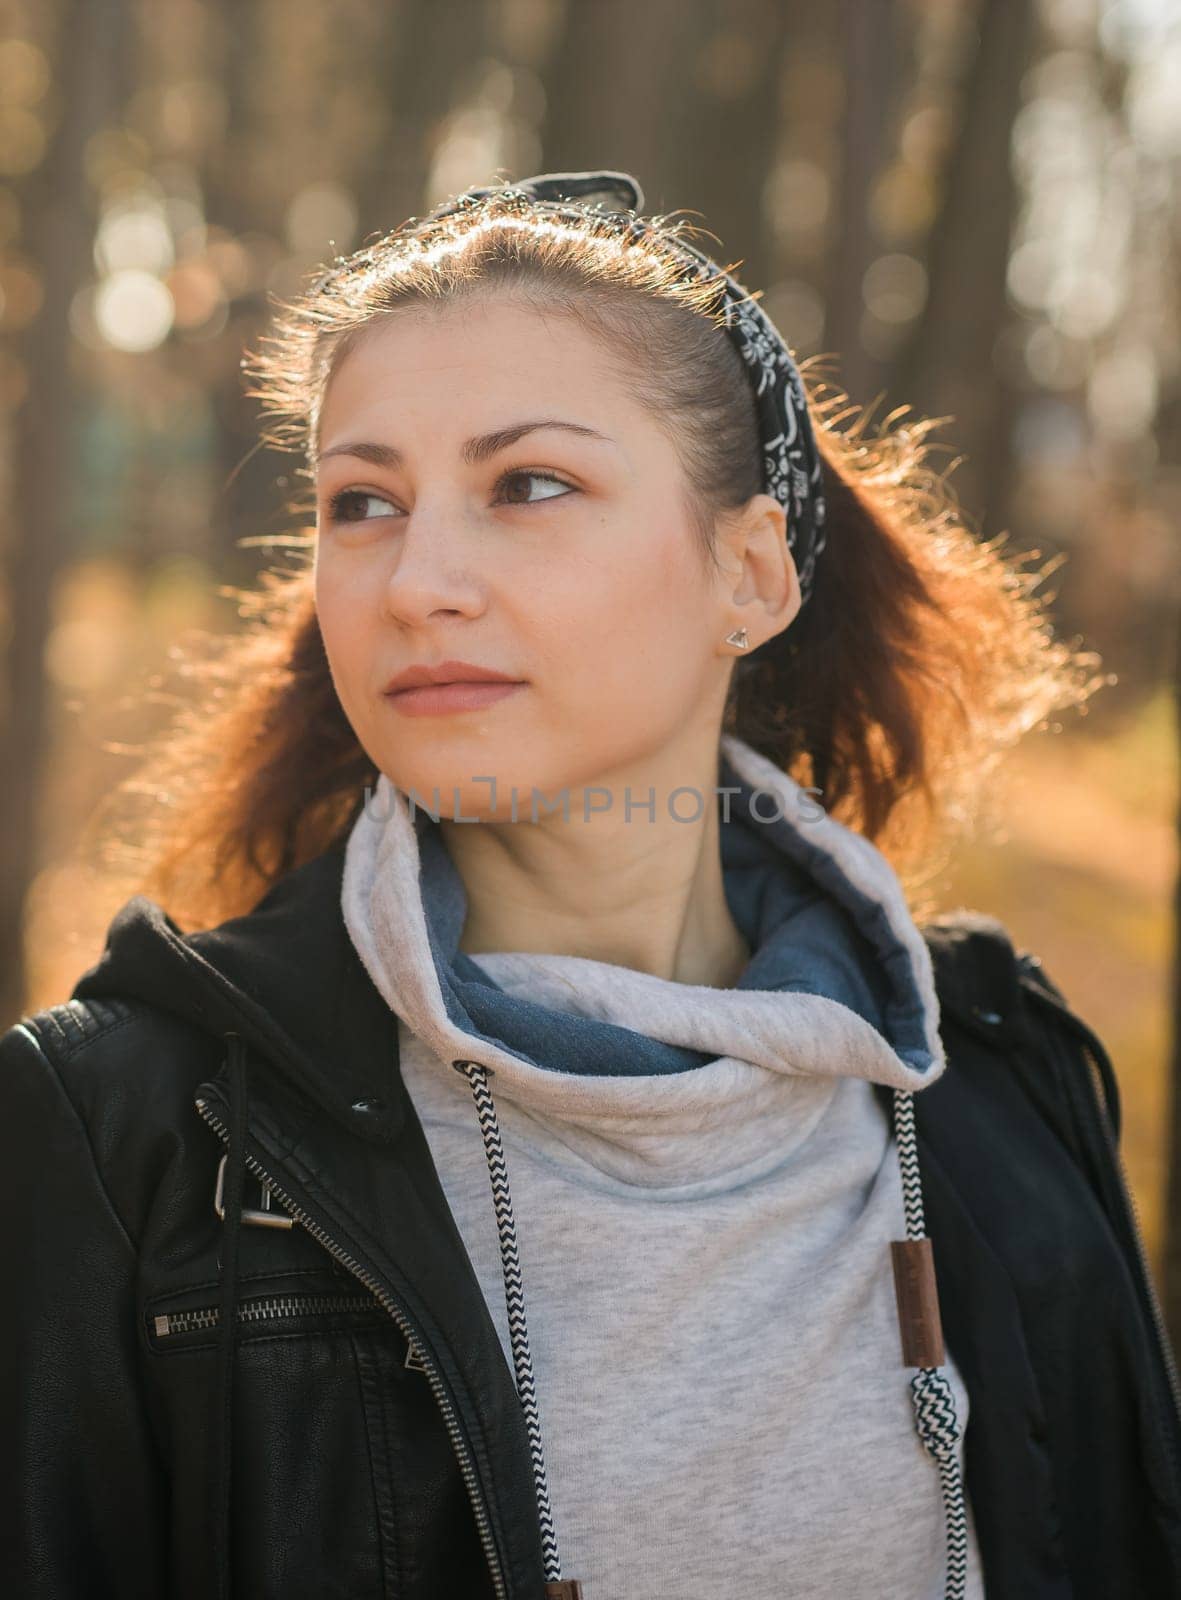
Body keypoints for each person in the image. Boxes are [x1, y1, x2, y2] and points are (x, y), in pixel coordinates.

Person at [2, 168, 1178, 1600]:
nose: (417, 577)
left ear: (746, 572)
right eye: (361, 502)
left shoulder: (999, 1079)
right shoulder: (123, 1139)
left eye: (529, 485)